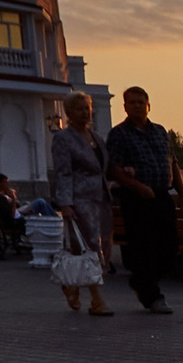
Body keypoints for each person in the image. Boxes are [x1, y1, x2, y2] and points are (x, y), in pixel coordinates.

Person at [106, 87, 179, 314]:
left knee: (169, 247)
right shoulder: (119, 134)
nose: (137, 106)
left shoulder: (159, 131)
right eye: (132, 102)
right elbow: (113, 169)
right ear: (125, 107)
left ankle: (141, 281)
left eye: (141, 102)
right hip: (136, 198)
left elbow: (172, 163)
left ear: (148, 105)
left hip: (161, 194)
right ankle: (152, 296)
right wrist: (138, 186)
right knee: (144, 247)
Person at [49, 93, 113, 316]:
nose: (85, 113)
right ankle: (97, 300)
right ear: (69, 113)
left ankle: (72, 285)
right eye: (79, 109)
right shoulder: (63, 138)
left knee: (103, 246)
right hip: (80, 200)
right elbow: (63, 172)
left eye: (87, 108)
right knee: (90, 249)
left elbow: (105, 167)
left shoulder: (95, 137)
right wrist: (65, 203)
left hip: (101, 199)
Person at [0, 173, 28, 249]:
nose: (7, 184)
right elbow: (11, 216)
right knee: (39, 205)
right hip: (12, 223)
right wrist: (13, 199)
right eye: (5, 182)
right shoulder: (0, 199)